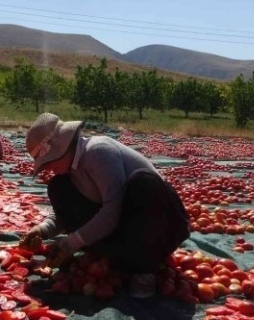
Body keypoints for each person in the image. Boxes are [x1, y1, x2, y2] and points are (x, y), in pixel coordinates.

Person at [19, 113, 190, 298]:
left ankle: (145, 268)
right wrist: (43, 230)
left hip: (161, 227)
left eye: (48, 162)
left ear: (62, 148)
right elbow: (63, 214)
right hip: (126, 227)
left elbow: (112, 210)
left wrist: (72, 243)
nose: (47, 168)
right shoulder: (70, 170)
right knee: (57, 187)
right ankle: (118, 260)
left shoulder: (98, 152)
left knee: (143, 183)